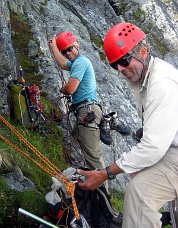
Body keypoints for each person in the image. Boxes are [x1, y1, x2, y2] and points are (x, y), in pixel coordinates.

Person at [77, 22, 178, 228]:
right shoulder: (144, 77)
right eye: (115, 65)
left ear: (142, 50)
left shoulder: (161, 83)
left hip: (171, 152)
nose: (121, 69)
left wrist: (107, 173)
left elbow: (153, 147)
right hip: (170, 148)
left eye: (124, 60)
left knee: (139, 194)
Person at [48, 31, 105, 170]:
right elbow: (62, 64)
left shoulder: (80, 62)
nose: (67, 53)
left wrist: (63, 89)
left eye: (70, 49)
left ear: (76, 46)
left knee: (93, 156)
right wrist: (54, 47)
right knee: (76, 136)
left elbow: (70, 89)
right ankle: (89, 176)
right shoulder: (77, 62)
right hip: (86, 111)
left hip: (87, 111)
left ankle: (101, 190)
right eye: (64, 51)